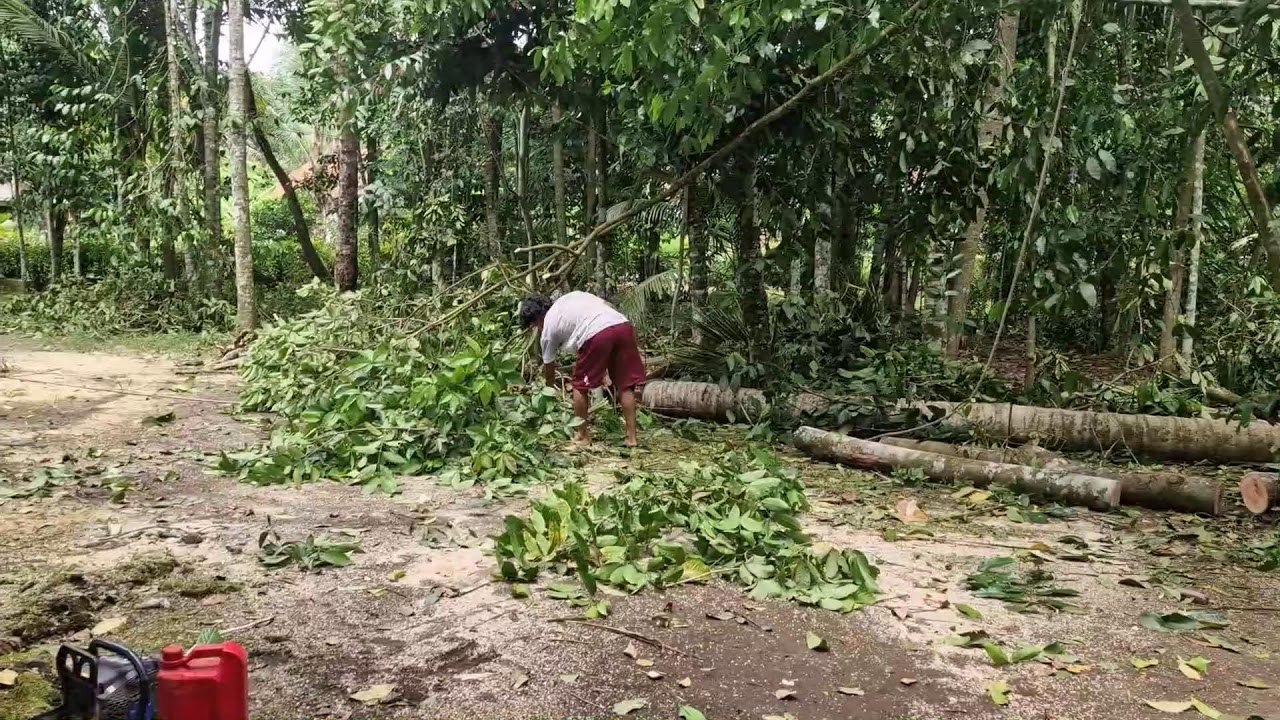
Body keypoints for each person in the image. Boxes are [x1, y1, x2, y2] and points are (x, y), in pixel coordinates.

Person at [519, 291, 647, 447]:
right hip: (623, 326)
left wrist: (548, 392)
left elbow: (549, 367)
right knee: (625, 386)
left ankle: (582, 435)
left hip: (597, 333)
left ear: (537, 318)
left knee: (579, 385)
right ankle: (632, 438)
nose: (537, 328)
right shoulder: (571, 298)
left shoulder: (548, 328)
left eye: (534, 325)